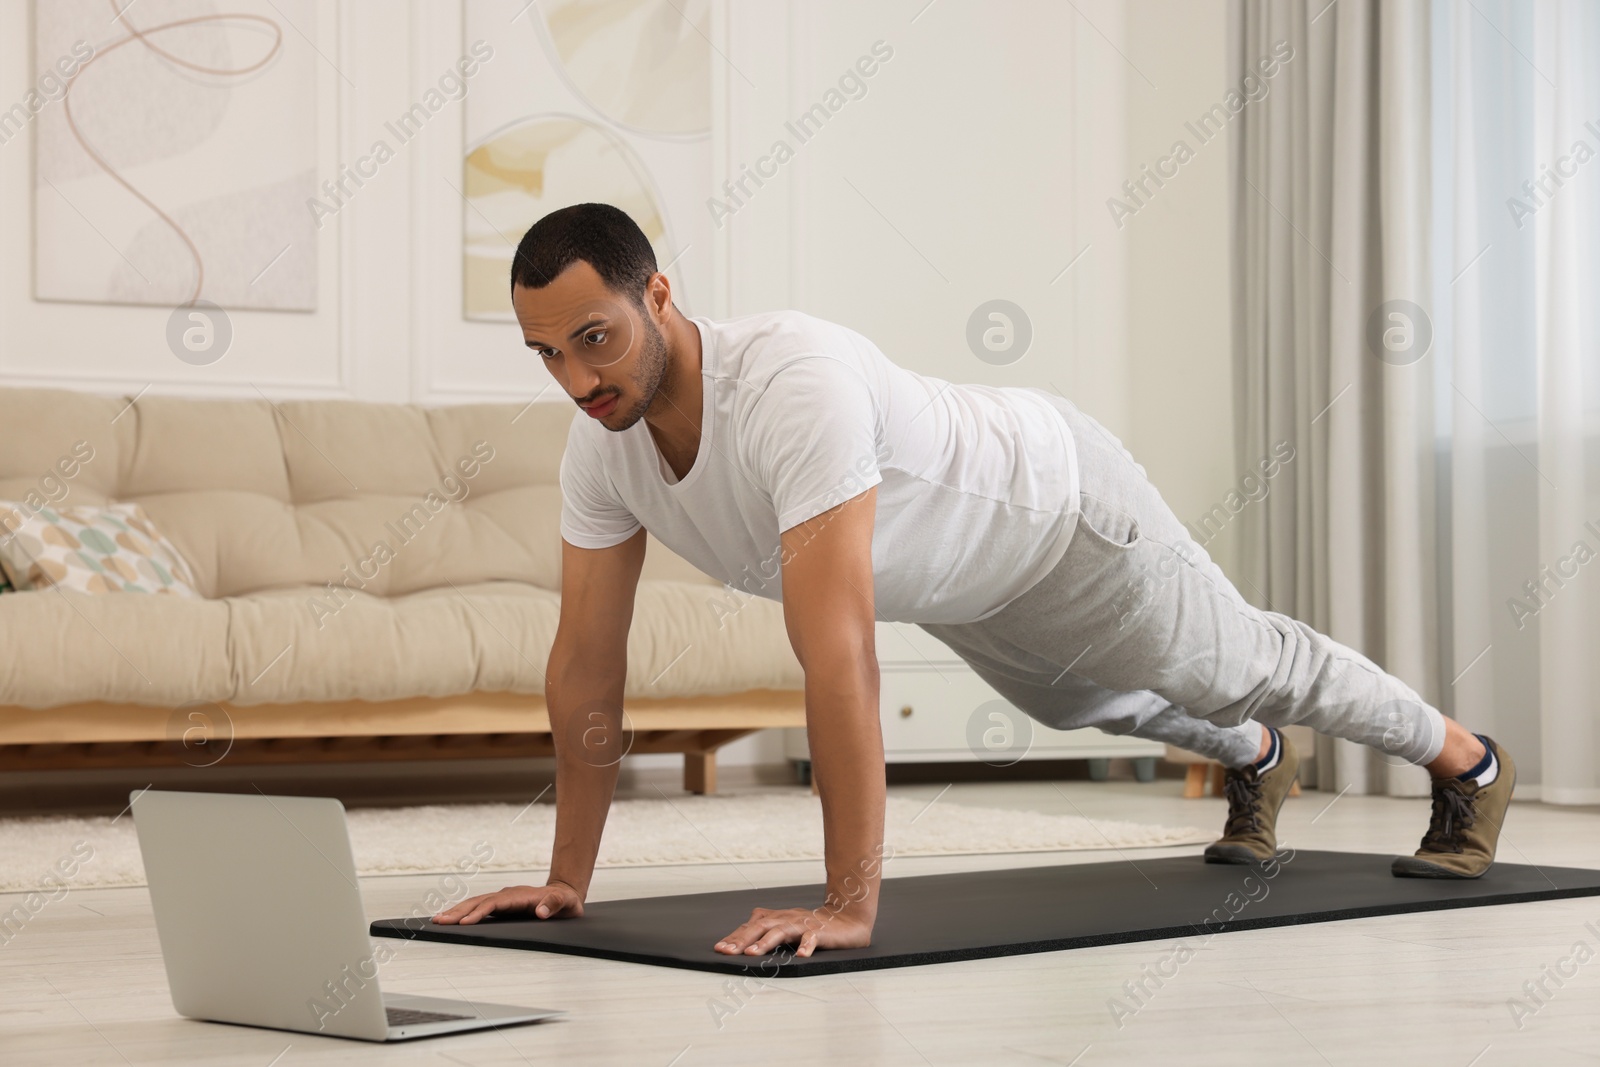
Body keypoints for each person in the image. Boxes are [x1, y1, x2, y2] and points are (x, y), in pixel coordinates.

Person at [433, 202, 1515, 958]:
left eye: (595, 339)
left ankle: (1465, 759)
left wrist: (849, 903)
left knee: (1236, 659)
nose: (578, 378)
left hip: (1060, 507)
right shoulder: (602, 447)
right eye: (547, 354)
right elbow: (585, 663)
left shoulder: (789, 383)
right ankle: (1257, 758)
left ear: (656, 295)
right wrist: (565, 876)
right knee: (1076, 699)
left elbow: (840, 650)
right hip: (971, 585)